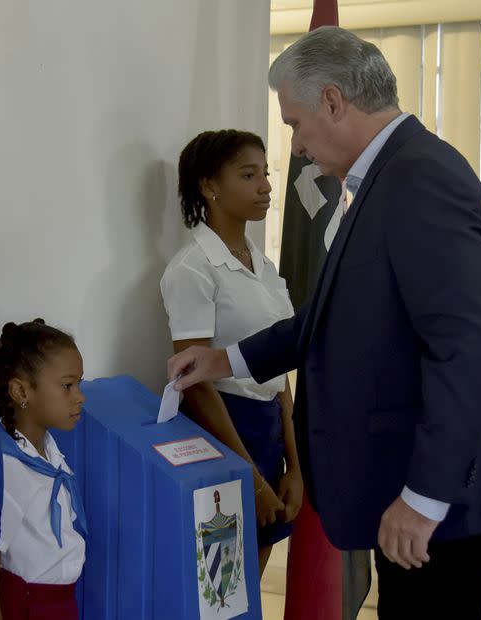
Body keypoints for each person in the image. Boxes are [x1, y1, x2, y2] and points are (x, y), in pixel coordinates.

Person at [168, 27, 481, 619]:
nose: (294, 147)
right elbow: (331, 316)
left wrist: (424, 498)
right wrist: (225, 360)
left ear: (331, 101)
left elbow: (466, 349)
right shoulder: (386, 177)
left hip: (443, 494)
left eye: (294, 123)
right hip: (413, 479)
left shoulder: (419, 179)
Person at [161, 129, 303, 576]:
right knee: (222, 585)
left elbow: (277, 368)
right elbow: (195, 382)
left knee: (254, 584)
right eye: (248, 175)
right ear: (210, 187)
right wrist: (251, 478)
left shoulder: (263, 265)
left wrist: (295, 465)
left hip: (269, 430)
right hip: (223, 432)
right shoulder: (192, 269)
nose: (265, 186)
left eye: (265, 173)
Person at [0, 319, 87, 620]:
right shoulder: (8, 467)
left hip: (61, 604)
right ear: (21, 392)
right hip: (27, 607)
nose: (80, 397)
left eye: (79, 384)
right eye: (67, 386)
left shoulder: (49, 453)